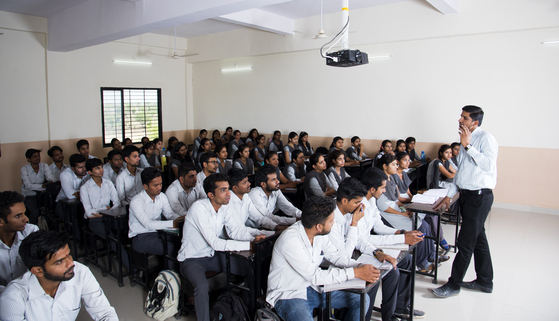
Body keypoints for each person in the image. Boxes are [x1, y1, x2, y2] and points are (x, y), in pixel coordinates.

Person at [266, 196, 378, 321]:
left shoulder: (317, 233)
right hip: (289, 294)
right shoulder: (291, 240)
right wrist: (355, 273)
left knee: (361, 301)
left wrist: (360, 267)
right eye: (331, 221)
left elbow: (336, 256)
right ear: (318, 226)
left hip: (311, 287)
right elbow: (315, 276)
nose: (333, 223)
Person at [328, 178, 421, 321]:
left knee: (387, 269)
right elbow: (343, 257)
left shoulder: (349, 210)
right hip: (333, 266)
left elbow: (359, 240)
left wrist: (377, 253)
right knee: (373, 276)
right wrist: (354, 223)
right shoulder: (331, 219)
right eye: (357, 202)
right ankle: (361, 315)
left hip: (349, 255)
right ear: (345, 201)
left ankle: (387, 314)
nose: (360, 206)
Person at [431, 105, 498, 298]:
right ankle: (485, 281)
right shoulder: (463, 140)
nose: (460, 120)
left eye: (465, 118)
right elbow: (461, 174)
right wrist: (448, 195)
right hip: (467, 196)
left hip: (480, 196)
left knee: (465, 242)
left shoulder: (486, 138)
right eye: (461, 117)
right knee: (478, 239)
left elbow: (487, 165)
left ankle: (453, 284)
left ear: (475, 122)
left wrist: (468, 146)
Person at [178, 173, 264, 321]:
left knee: (251, 268)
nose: (228, 193)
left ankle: (243, 309)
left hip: (212, 255)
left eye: (228, 189)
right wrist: (250, 245)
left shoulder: (224, 206)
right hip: (192, 258)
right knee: (202, 286)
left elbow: (235, 230)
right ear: (211, 194)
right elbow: (215, 242)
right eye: (223, 190)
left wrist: (253, 239)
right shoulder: (198, 208)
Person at [0, 230, 118, 321]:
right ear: (38, 271)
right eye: (59, 262)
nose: (70, 263)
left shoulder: (80, 272)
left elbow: (104, 312)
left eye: (68, 255)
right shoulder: (13, 298)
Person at [359, 169, 427, 319]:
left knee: (407, 261)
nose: (384, 191)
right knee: (393, 270)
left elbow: (378, 226)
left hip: (369, 244)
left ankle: (401, 307)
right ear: (372, 189)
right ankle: (388, 315)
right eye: (383, 188)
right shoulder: (359, 205)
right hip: (359, 249)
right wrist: (402, 239)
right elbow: (364, 239)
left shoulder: (371, 200)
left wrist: (401, 233)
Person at [375, 154, 441, 271]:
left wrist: (405, 208)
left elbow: (397, 199)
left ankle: (431, 255)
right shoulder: (380, 180)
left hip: (396, 208)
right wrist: (401, 213)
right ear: (385, 166)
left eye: (396, 164)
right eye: (394, 164)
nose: (396, 166)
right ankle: (422, 262)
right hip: (388, 214)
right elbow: (382, 206)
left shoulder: (392, 178)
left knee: (425, 224)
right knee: (419, 227)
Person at [80, 158, 129, 269]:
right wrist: (105, 210)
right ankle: (131, 268)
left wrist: (107, 211)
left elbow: (116, 203)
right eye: (97, 168)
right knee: (113, 239)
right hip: (95, 220)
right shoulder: (85, 188)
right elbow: (88, 212)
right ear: (90, 172)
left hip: (111, 216)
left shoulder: (108, 183)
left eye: (101, 167)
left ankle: (135, 260)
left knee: (129, 231)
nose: (101, 170)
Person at [128, 168, 183, 263]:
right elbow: (148, 224)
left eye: (161, 184)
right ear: (145, 186)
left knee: (183, 240)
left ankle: (179, 270)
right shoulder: (137, 201)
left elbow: (169, 214)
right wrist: (173, 223)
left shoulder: (161, 196)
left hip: (158, 232)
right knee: (170, 247)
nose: (159, 187)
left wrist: (179, 219)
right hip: (140, 236)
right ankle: (171, 275)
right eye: (155, 185)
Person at [0, 191, 39, 294]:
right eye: (18, 216)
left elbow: (40, 265)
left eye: (24, 213)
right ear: (1, 221)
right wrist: (11, 294)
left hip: (29, 291)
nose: (26, 219)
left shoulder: (31, 232)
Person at [227, 168, 285, 233]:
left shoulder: (245, 196)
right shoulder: (228, 201)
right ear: (235, 188)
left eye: (247, 181)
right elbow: (240, 229)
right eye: (245, 182)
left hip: (243, 233)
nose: (249, 184)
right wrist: (271, 233)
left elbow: (258, 217)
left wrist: (276, 227)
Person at [21, 149, 55, 224]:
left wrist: (50, 182)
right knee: (36, 212)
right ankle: (31, 229)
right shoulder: (24, 169)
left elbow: (51, 179)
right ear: (28, 159)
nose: (38, 158)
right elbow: (27, 186)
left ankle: (48, 229)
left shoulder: (44, 165)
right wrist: (42, 186)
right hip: (29, 195)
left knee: (50, 209)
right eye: (34, 156)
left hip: (42, 194)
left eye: (38, 156)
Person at [55, 154, 89, 219]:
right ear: (72, 169)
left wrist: (79, 193)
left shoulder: (87, 172)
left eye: (84, 166)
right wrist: (86, 192)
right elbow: (70, 195)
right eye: (80, 167)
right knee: (75, 218)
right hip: (63, 203)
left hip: (81, 201)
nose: (84, 169)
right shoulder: (65, 174)